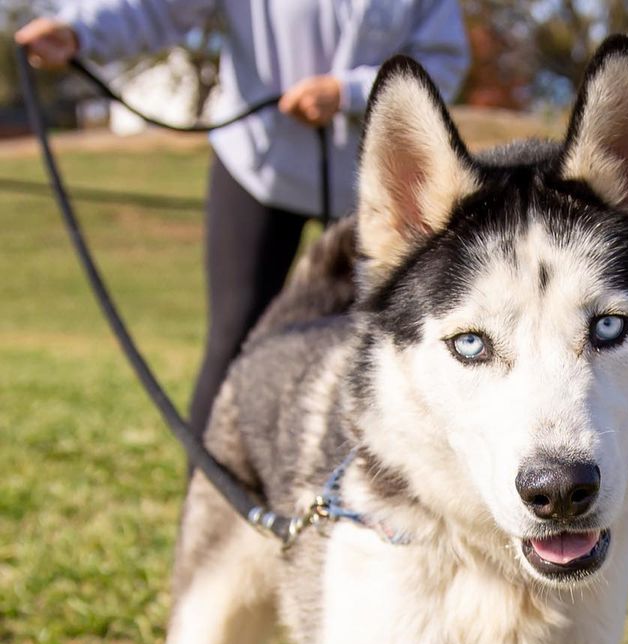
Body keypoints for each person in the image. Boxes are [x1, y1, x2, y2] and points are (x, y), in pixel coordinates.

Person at [17, 0, 469, 437]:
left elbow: (445, 62)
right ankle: (209, 491)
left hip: (380, 193)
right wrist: (78, 31)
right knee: (233, 338)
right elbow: (156, 7)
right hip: (254, 169)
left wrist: (347, 91)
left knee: (370, 346)